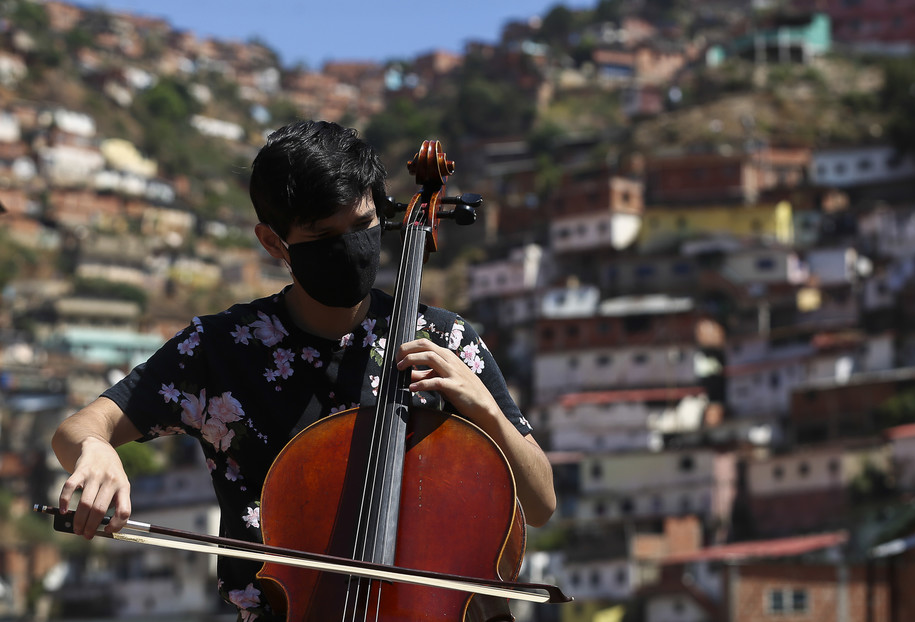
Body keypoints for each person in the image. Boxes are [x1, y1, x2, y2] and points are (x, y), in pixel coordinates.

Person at [50, 120, 556, 621]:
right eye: (323, 235)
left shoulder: (445, 342)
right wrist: (96, 450)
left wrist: (486, 410)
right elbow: (78, 429)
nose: (351, 246)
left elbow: (539, 504)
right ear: (274, 243)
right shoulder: (223, 350)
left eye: (362, 226)